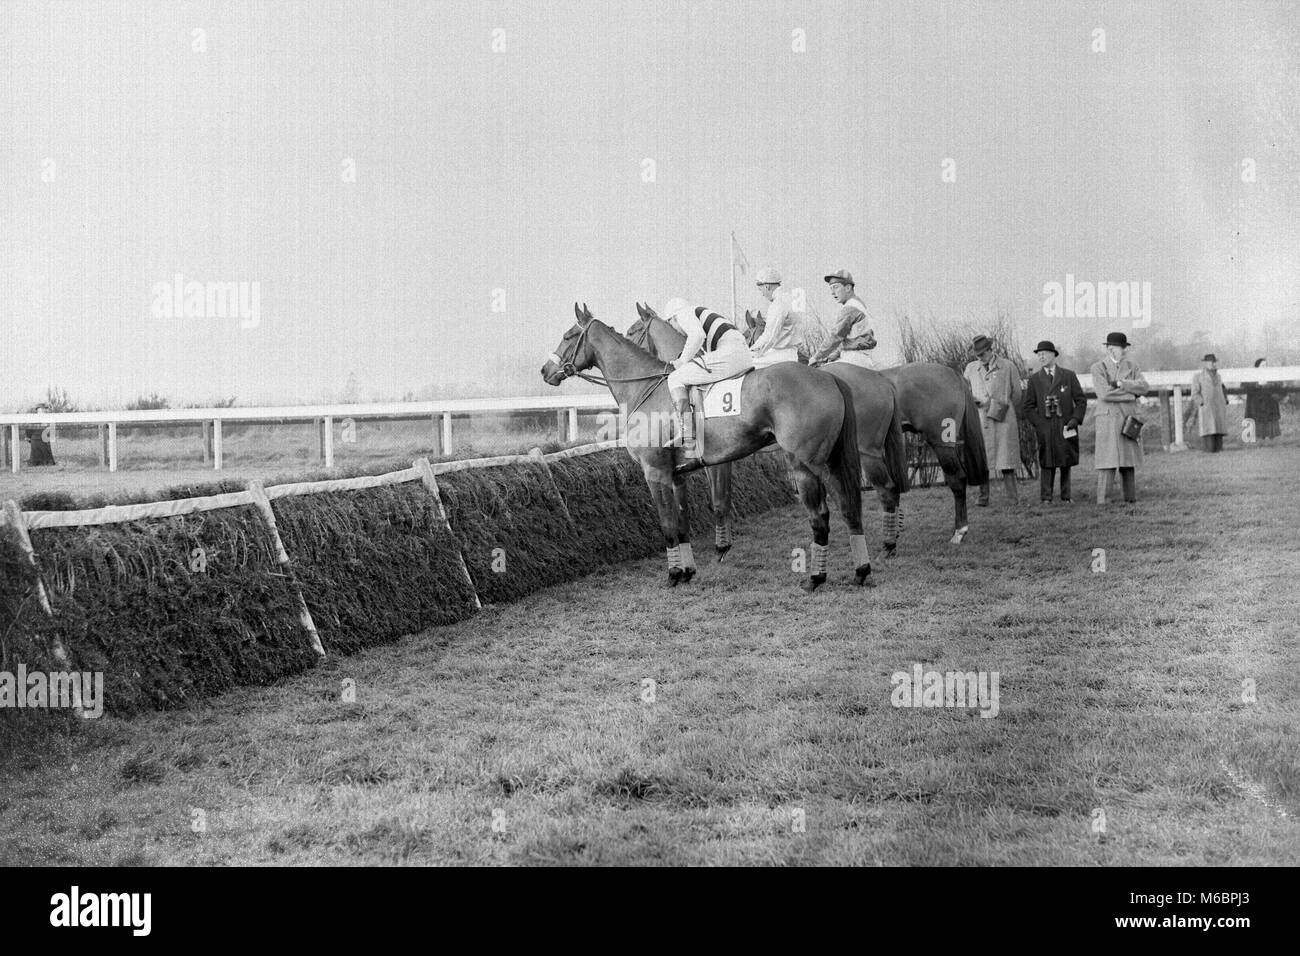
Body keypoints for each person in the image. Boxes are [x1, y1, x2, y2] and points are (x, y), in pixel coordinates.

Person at [661, 297, 754, 457]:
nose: (676, 329)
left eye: (671, 324)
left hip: (730, 354)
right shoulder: (700, 313)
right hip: (741, 354)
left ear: (673, 318)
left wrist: (682, 361)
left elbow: (697, 336)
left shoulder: (684, 313)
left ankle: (687, 430)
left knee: (675, 378)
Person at [1022, 340, 1087, 503]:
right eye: (1039, 355)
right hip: (1046, 428)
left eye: (1044, 354)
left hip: (1066, 426)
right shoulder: (1035, 379)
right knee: (1046, 461)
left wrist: (1075, 419)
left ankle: (1066, 496)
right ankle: (1046, 498)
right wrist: (1039, 424)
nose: (1041, 357)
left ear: (1053, 355)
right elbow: (1028, 406)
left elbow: (1080, 400)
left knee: (1066, 460)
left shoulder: (1068, 375)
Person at [1090, 332, 1149, 504]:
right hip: (1107, 419)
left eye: (1118, 348)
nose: (1113, 351)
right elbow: (1105, 394)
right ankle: (1104, 500)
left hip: (1127, 417)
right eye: (1111, 347)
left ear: (1124, 349)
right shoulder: (1098, 367)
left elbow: (1144, 387)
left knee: (1127, 460)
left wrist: (1123, 384)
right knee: (1106, 461)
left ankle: (1130, 498)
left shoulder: (1133, 366)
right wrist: (1132, 395)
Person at [963, 334, 1021, 505]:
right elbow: (965, 390)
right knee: (982, 460)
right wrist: (974, 402)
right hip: (980, 419)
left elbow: (1017, 394)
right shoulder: (971, 368)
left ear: (990, 350)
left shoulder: (1008, 366)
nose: (979, 358)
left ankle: (1012, 498)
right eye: (977, 355)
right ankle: (983, 498)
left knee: (1007, 461)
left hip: (1004, 420)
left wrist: (1002, 406)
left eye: (982, 354)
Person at [810, 269, 899, 369]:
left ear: (848, 287)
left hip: (854, 359)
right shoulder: (859, 304)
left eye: (835, 287)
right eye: (830, 288)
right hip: (864, 357)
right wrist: (836, 354)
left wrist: (816, 357)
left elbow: (835, 336)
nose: (832, 292)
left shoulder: (850, 308)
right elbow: (852, 338)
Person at [749, 267, 803, 368]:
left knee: (745, 365)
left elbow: (770, 335)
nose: (762, 294)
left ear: (767, 286)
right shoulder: (791, 299)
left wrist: (751, 350)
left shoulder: (777, 304)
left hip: (779, 355)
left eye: (761, 290)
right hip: (793, 353)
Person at [1188, 353, 1229, 452]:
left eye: (1214, 362)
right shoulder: (1198, 376)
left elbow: (1222, 389)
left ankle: (1219, 448)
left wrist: (1225, 400)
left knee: (1218, 430)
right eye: (1211, 362)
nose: (1213, 364)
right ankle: (1208, 449)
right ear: (1205, 363)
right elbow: (1194, 393)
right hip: (1207, 407)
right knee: (1209, 430)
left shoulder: (1218, 376)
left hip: (1219, 407)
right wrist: (1202, 402)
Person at [1244, 357, 1282, 444]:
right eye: (1263, 365)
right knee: (1259, 421)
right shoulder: (1251, 376)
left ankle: (1271, 438)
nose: (1265, 367)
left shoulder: (1271, 375)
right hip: (1257, 404)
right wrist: (1258, 384)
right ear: (1257, 367)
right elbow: (1244, 385)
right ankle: (1259, 438)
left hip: (1269, 404)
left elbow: (1278, 384)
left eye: (1266, 365)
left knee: (1270, 420)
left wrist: (1269, 384)